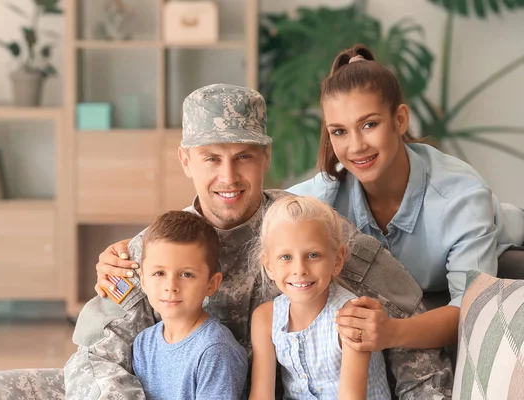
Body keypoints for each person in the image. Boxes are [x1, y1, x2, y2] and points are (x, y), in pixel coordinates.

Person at [0, 84, 452, 400]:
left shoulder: (311, 232)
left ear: (265, 158)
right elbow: (95, 354)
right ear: (186, 161)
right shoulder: (153, 248)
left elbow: (409, 339)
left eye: (243, 157)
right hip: (149, 391)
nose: (228, 176)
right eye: (211, 158)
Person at [286, 44, 524, 353]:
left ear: (400, 120)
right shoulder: (324, 196)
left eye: (369, 124)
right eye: (339, 132)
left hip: (508, 248)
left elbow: (473, 313)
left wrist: (391, 333)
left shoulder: (461, 197)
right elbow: (265, 210)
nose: (355, 146)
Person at [249, 195, 391, 400]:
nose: (299, 269)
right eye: (286, 257)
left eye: (313, 255)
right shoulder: (265, 318)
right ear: (269, 265)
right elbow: (261, 395)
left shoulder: (352, 317)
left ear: (338, 259)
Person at [132, 210, 247, 400]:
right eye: (159, 273)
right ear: (143, 281)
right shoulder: (144, 343)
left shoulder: (215, 350)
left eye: (186, 274)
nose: (171, 287)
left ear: (212, 284)